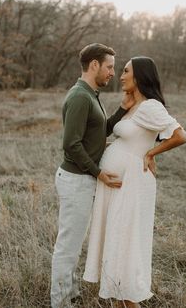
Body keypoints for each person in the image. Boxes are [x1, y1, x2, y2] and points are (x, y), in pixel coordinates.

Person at [83, 56, 186, 308]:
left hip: (132, 184)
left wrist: (151, 153)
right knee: (117, 243)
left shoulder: (151, 106)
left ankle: (131, 302)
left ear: (140, 76)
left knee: (125, 243)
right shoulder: (133, 105)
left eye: (126, 71)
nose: (120, 75)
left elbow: (180, 135)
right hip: (116, 185)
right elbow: (127, 138)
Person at [50, 43, 135, 308]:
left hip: (81, 180)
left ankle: (71, 295)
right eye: (109, 67)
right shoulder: (79, 97)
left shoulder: (90, 94)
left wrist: (122, 109)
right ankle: (61, 303)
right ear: (94, 65)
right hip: (76, 181)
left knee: (73, 244)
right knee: (68, 246)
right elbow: (71, 144)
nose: (113, 73)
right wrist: (99, 173)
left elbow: (98, 133)